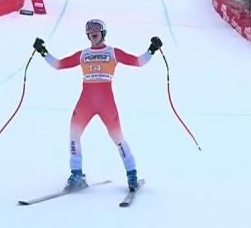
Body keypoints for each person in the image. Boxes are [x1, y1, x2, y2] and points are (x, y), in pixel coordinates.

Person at [33, 19, 163, 192]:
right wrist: (43, 51)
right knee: (74, 134)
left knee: (117, 138)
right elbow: (59, 65)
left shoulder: (112, 52)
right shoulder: (83, 54)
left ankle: (132, 175)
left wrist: (152, 49)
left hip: (106, 103)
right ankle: (76, 174)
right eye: (90, 30)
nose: (93, 32)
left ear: (103, 33)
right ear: (87, 34)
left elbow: (138, 61)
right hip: (85, 101)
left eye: (97, 29)